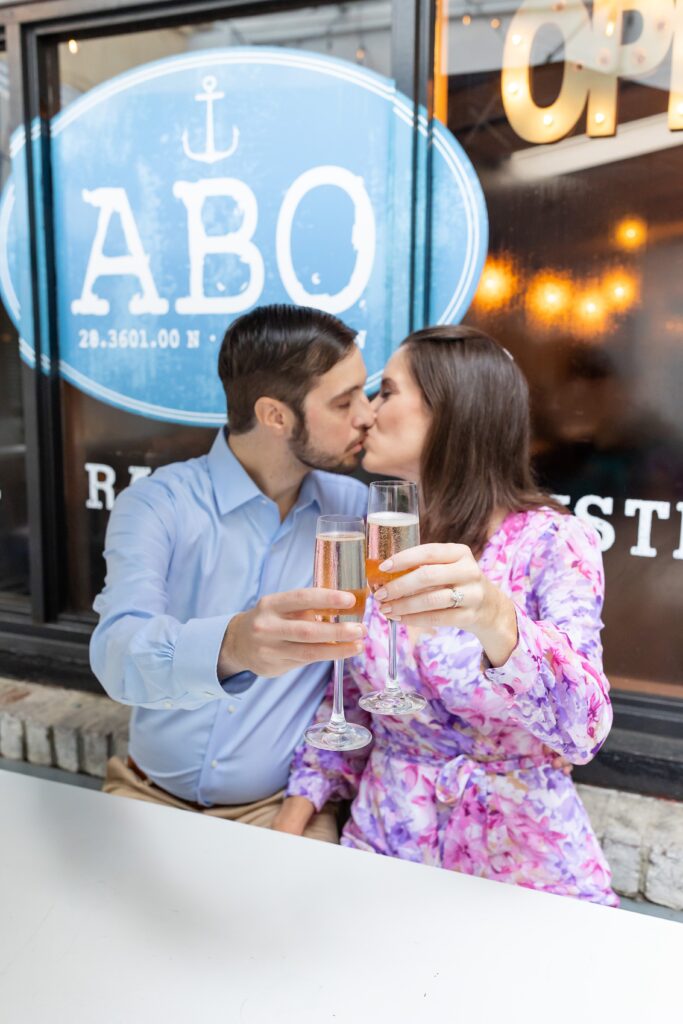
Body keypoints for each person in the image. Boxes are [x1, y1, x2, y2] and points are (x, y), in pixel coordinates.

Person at [283, 325, 618, 905]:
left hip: (521, 868)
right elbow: (351, 698)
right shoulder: (375, 543)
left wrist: (495, 614)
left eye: (385, 391)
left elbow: (584, 729)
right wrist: (289, 824)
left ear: (451, 410)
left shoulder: (553, 542)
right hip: (387, 847)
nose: (366, 413)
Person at [90, 304, 374, 841]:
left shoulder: (356, 511)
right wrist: (232, 646)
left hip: (282, 810)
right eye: (344, 401)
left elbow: (366, 676)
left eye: (366, 392)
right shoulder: (157, 503)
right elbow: (115, 654)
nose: (367, 414)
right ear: (275, 415)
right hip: (145, 793)